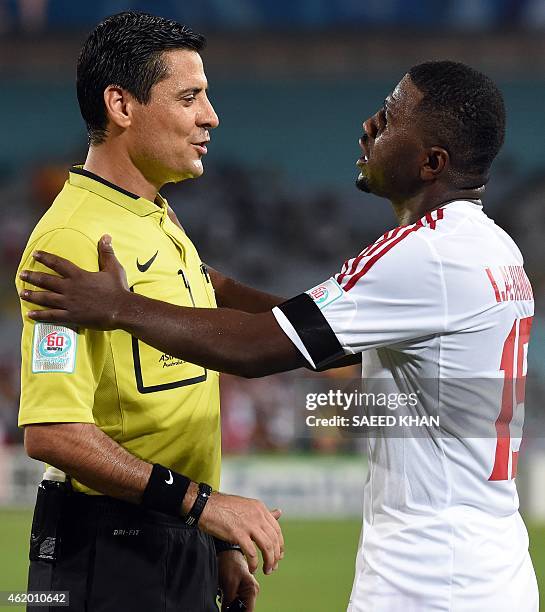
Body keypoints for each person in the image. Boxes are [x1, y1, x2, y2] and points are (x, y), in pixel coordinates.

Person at [19, 61, 539, 611]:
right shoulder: (493, 249)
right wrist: (211, 286)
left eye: (387, 120)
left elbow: (257, 348)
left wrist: (120, 307)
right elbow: (320, 340)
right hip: (493, 565)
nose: (368, 125)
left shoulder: (423, 253)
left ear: (432, 162)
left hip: (431, 579)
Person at [15, 11, 285, 612]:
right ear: (121, 105)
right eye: (189, 97)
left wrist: (210, 543)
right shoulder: (73, 239)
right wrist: (205, 505)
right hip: (103, 555)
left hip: (170, 536)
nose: (210, 116)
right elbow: (52, 432)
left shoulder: (158, 220)